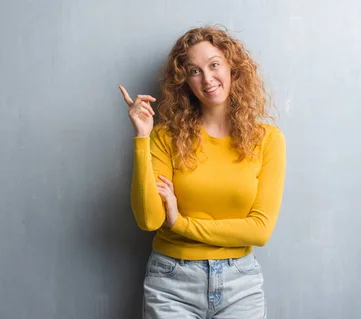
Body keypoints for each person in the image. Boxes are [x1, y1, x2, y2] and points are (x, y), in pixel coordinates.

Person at [118, 25, 286, 318]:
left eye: (214, 65)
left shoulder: (268, 139)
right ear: (185, 82)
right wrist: (143, 137)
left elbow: (259, 230)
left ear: (233, 68)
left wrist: (180, 223)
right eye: (195, 71)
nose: (207, 78)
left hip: (240, 285)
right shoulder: (164, 137)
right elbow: (149, 219)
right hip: (172, 282)